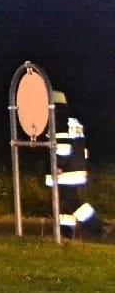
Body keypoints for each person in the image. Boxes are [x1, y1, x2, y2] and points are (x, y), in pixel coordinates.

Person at [45, 90, 107, 240]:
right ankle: (66, 234)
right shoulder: (74, 121)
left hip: (66, 171)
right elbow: (80, 145)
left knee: (72, 202)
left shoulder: (58, 120)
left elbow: (63, 145)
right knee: (65, 204)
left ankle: (97, 227)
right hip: (77, 167)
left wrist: (58, 165)